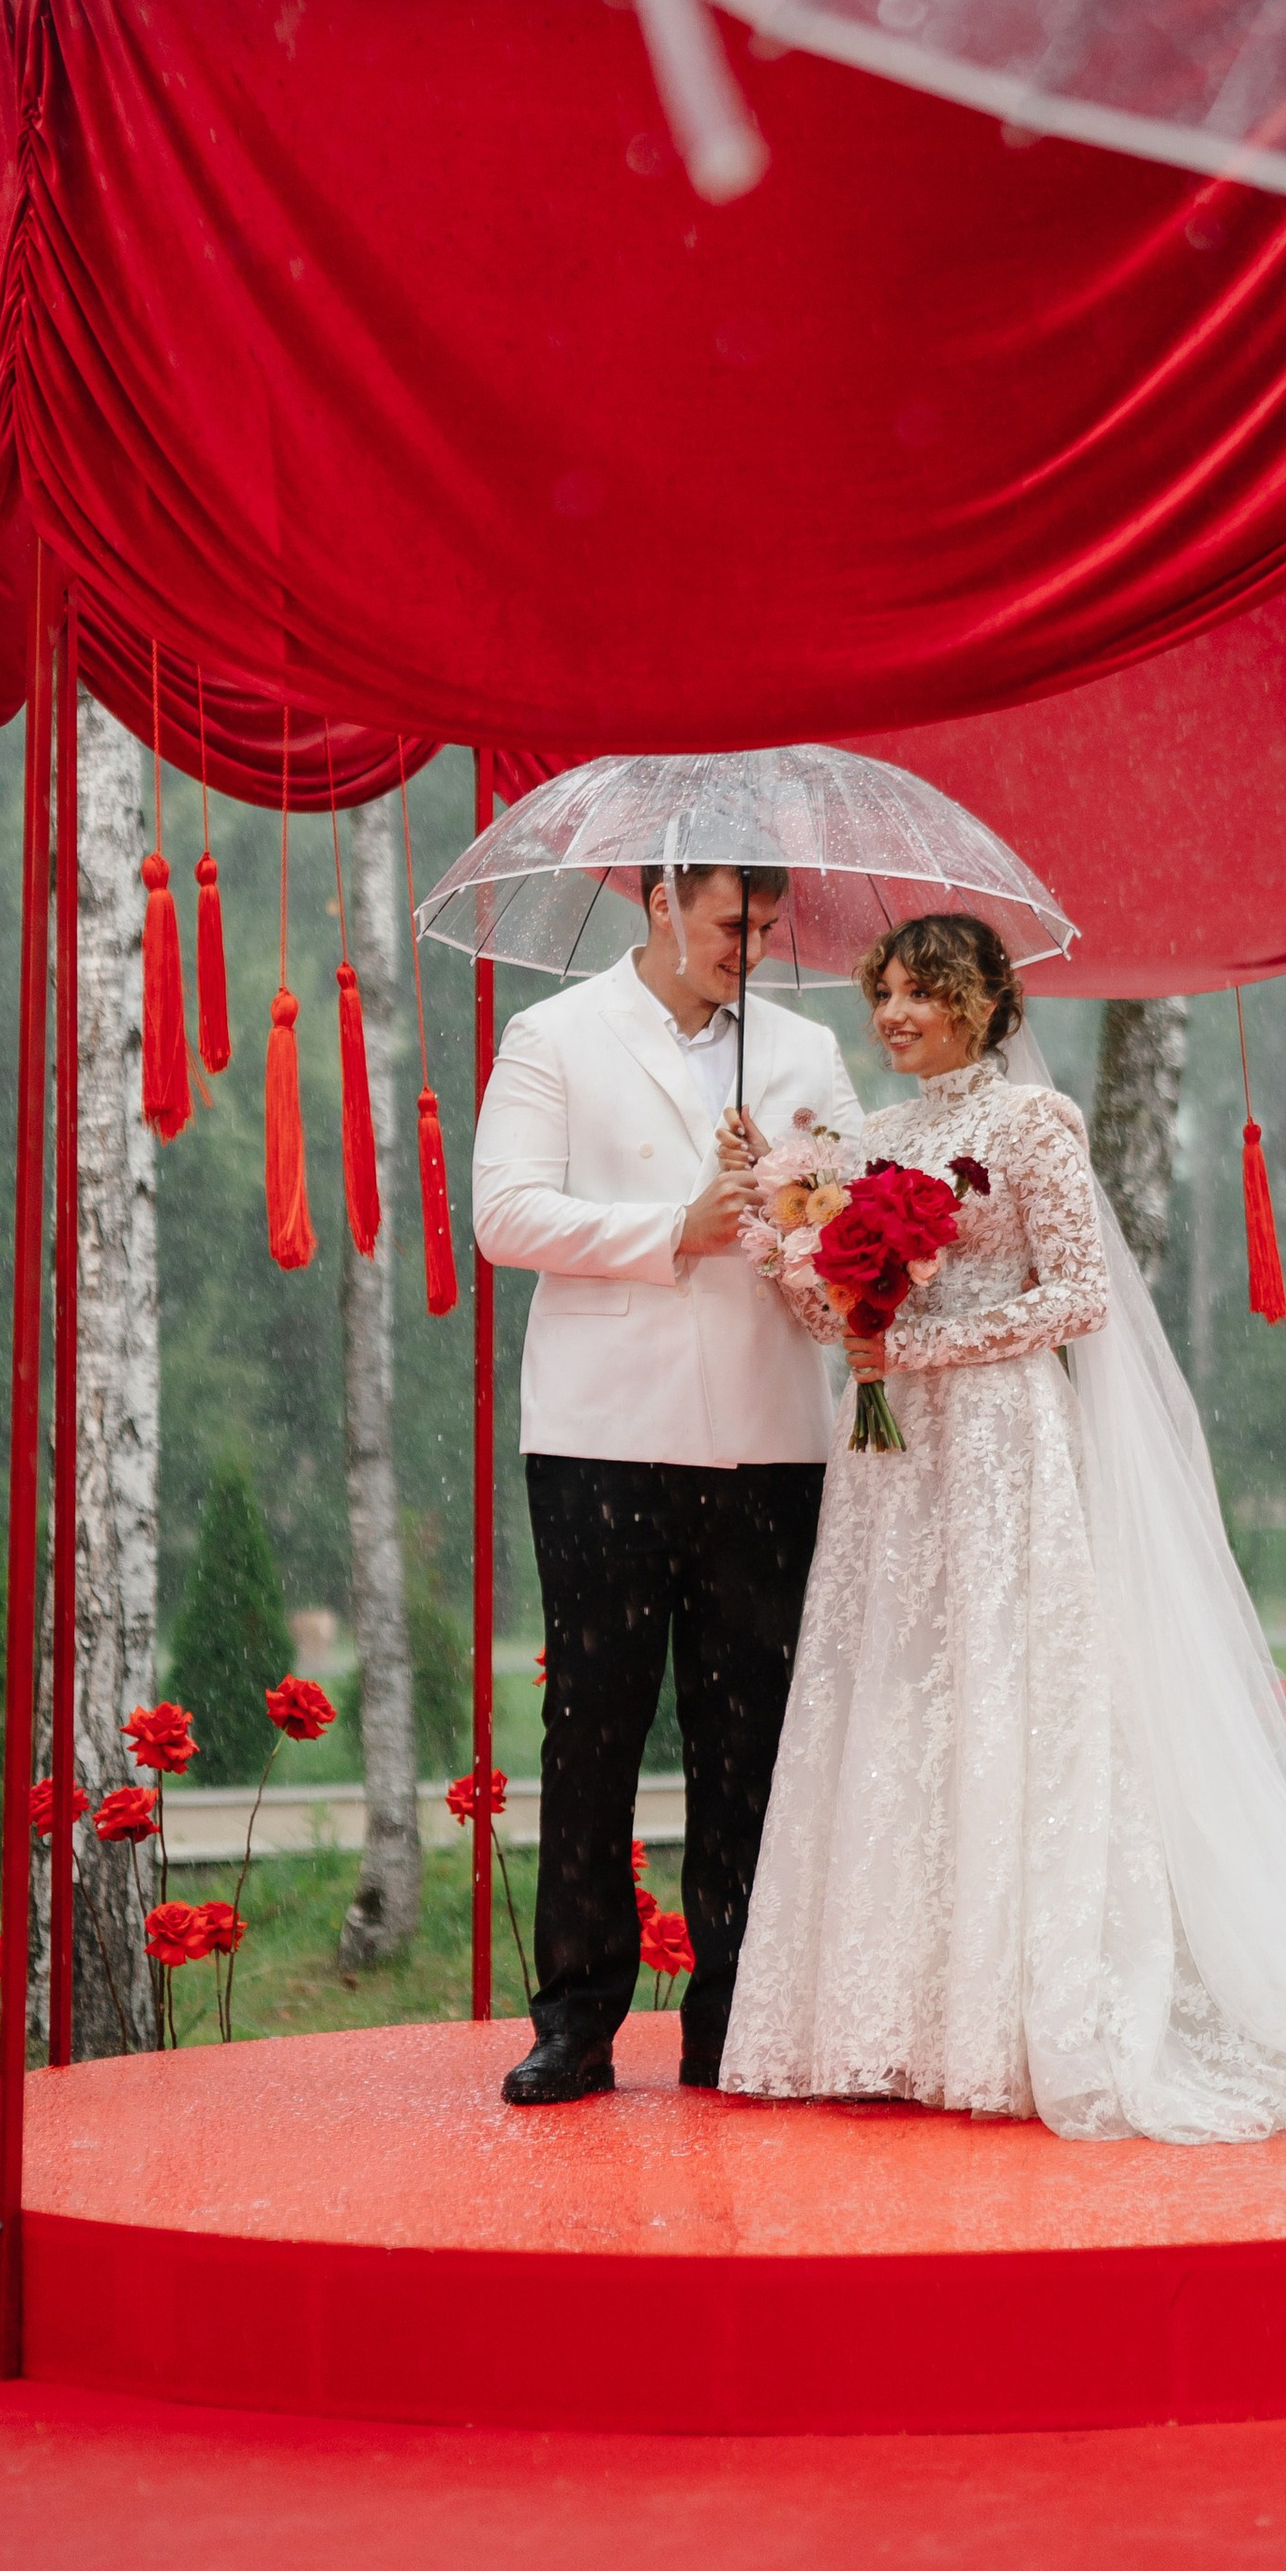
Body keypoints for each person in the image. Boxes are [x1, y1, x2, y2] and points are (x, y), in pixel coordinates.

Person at [719, 910, 1286, 2141]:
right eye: (883, 991)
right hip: (891, 1461)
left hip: (1001, 1441)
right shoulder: (869, 1137)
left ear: (984, 1000)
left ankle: (1016, 2011)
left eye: (918, 990)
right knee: (895, 1697)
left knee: (1010, 1693)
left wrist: (923, 1342)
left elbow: (1078, 1293)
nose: (892, 1013)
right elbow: (824, 1305)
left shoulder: (1031, 1125)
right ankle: (891, 2015)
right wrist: (777, 1235)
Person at [473, 861, 862, 2103]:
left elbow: (845, 1225)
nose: (747, 945)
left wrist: (806, 1216)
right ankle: (577, 2018)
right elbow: (505, 1215)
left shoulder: (804, 1052)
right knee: (592, 1725)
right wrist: (674, 1229)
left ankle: (734, 2019)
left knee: (747, 1737)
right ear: (658, 902)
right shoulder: (554, 1035)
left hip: (773, 1435)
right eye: (726, 922)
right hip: (603, 1433)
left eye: (762, 925)